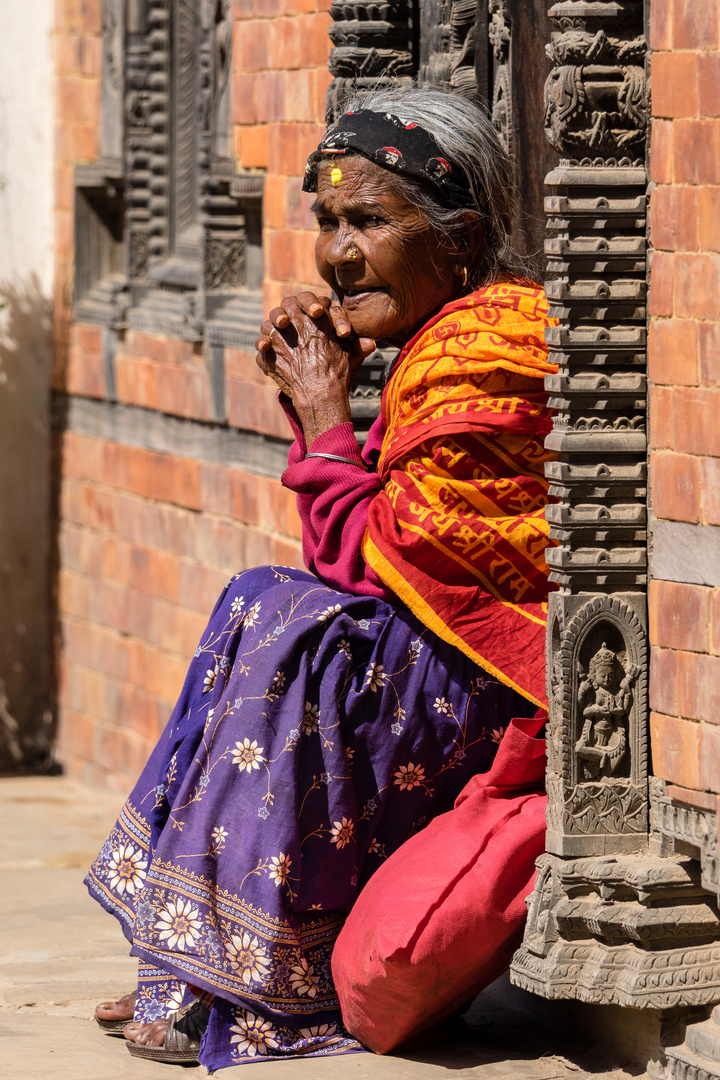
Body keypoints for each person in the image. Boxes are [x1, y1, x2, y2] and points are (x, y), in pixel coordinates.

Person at [87, 84, 557, 1069]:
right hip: (433, 664)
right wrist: (334, 400)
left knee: (290, 623)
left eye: (369, 222)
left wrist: (326, 419)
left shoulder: (484, 355)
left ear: (458, 238)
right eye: (328, 222)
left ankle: (256, 981)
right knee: (268, 607)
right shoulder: (435, 343)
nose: (338, 254)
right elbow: (361, 553)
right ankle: (201, 958)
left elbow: (367, 561)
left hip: (500, 692)